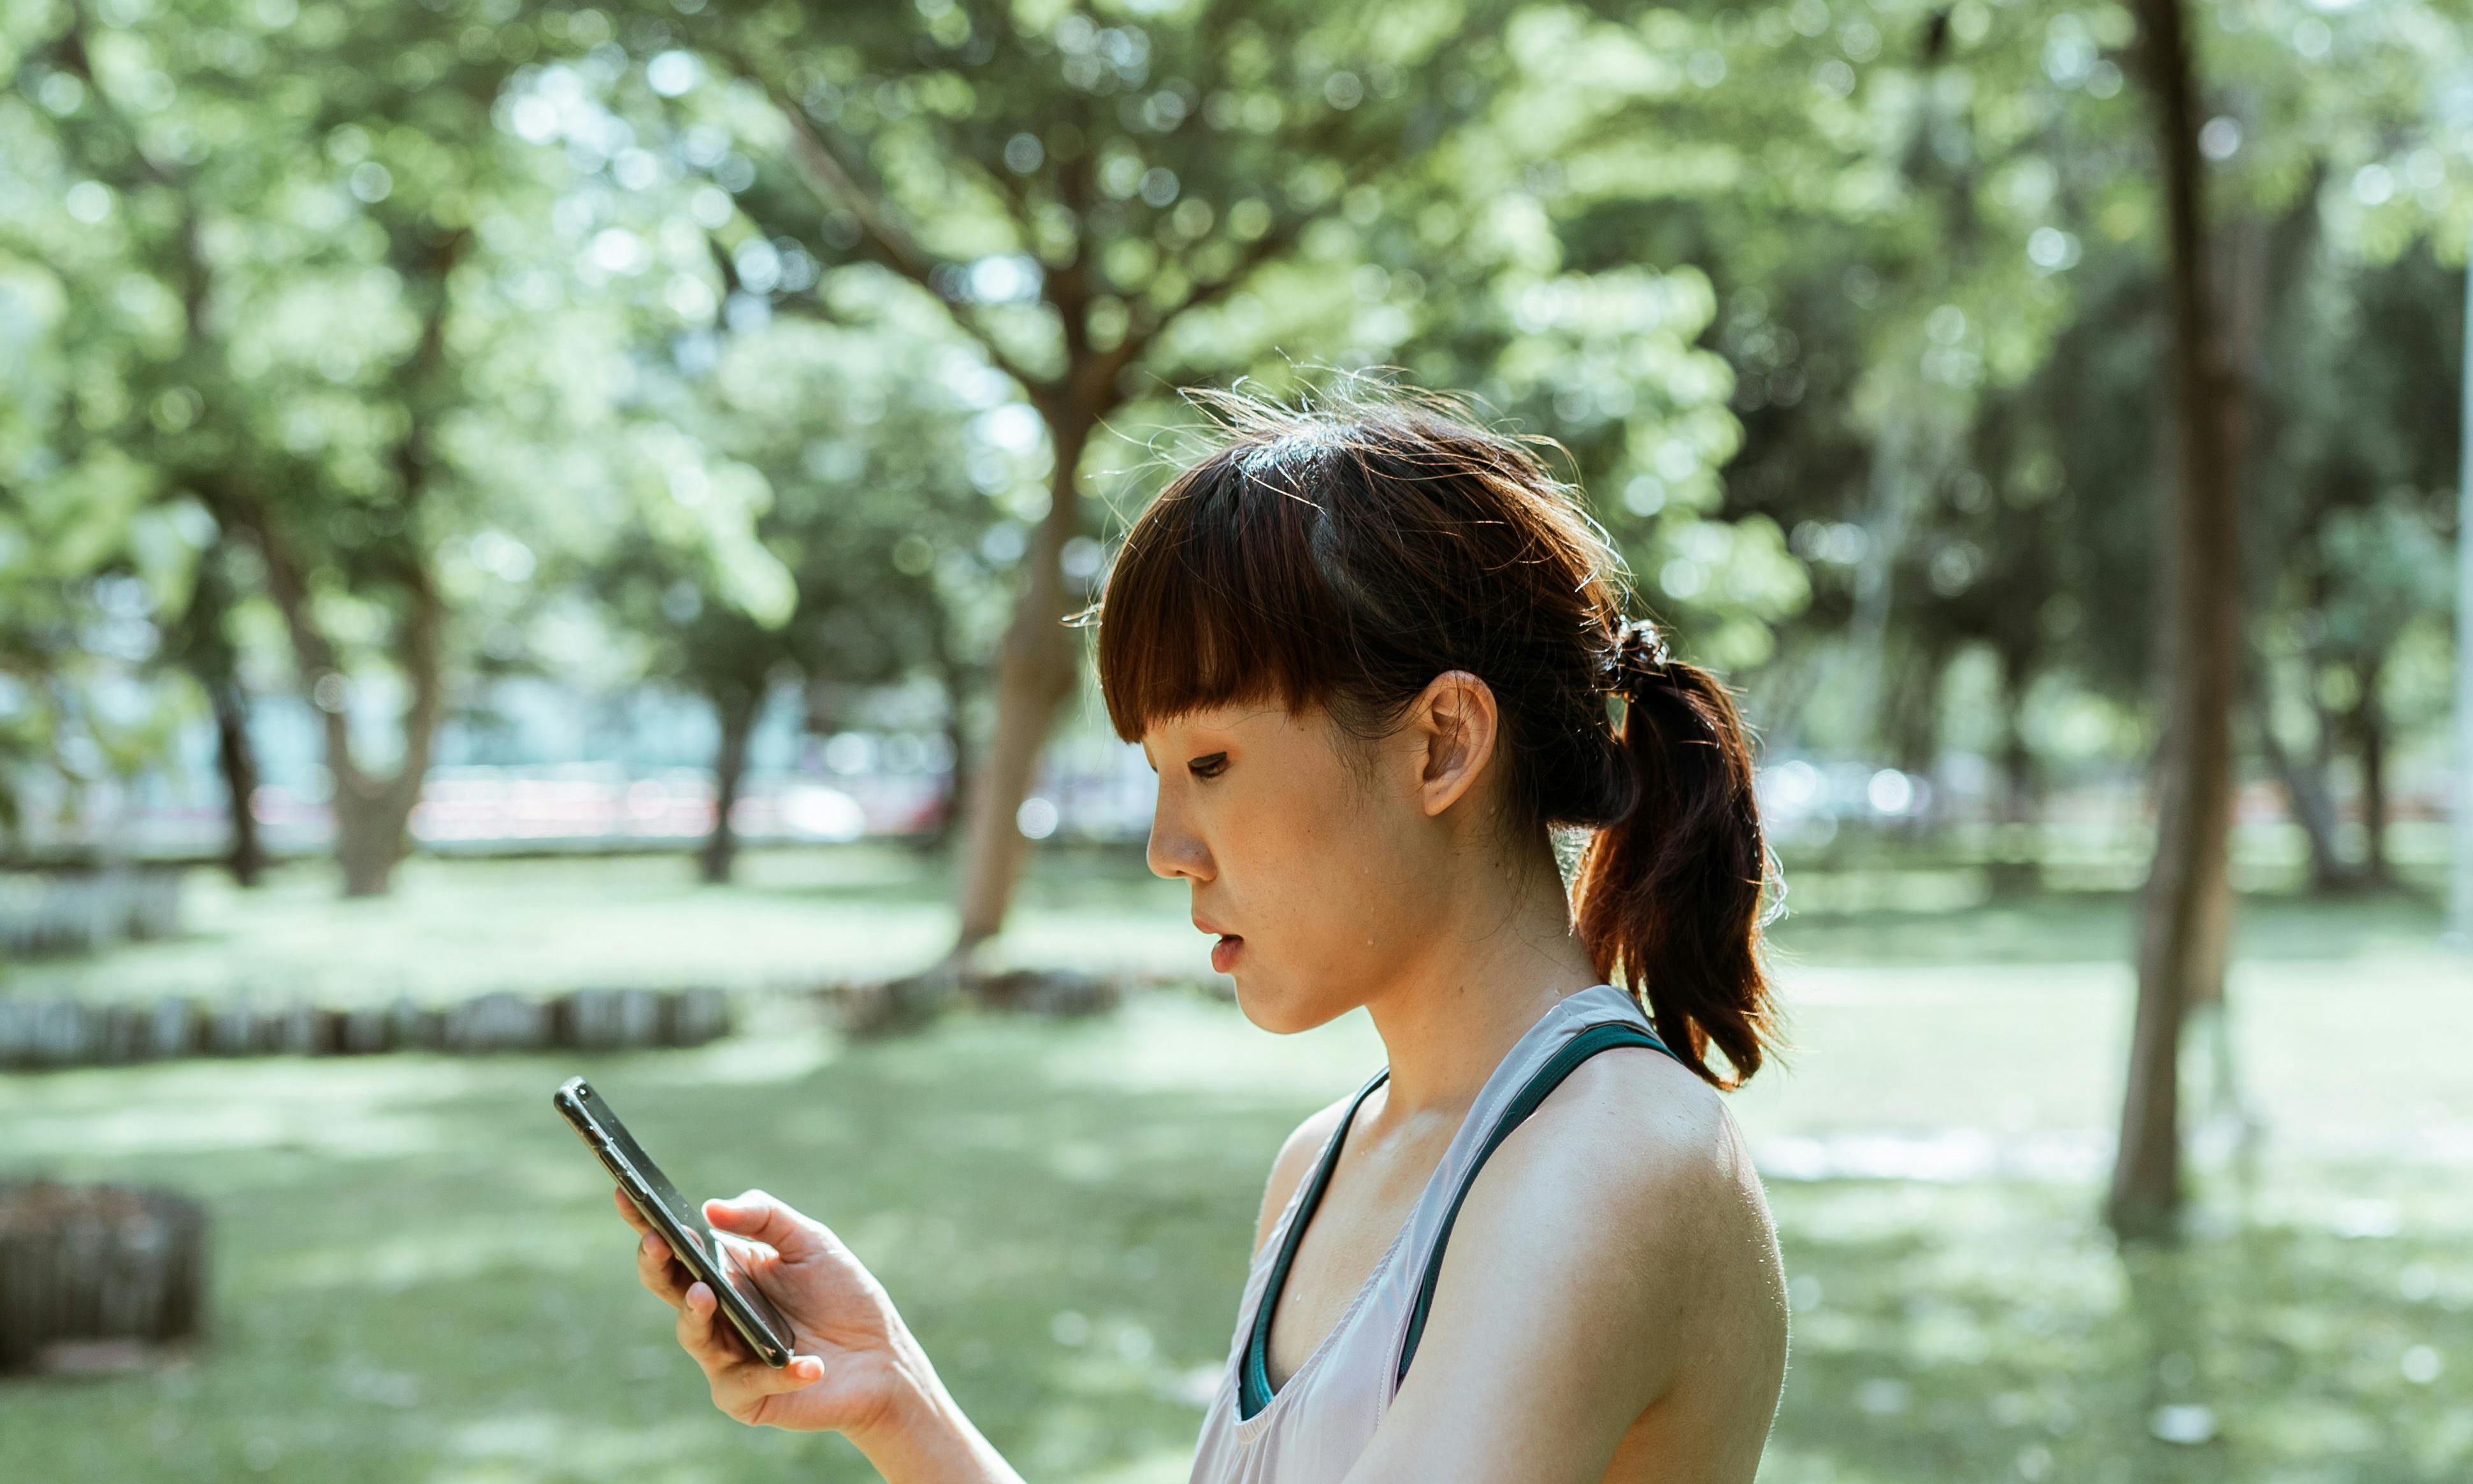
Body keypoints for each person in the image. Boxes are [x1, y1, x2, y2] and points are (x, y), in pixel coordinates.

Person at [613, 387, 1790, 1483]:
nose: (1166, 845)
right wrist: (894, 1398)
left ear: (1440, 741)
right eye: (1158, 774)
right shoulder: (1324, 1160)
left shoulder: (1617, 1152)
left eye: (1212, 763)